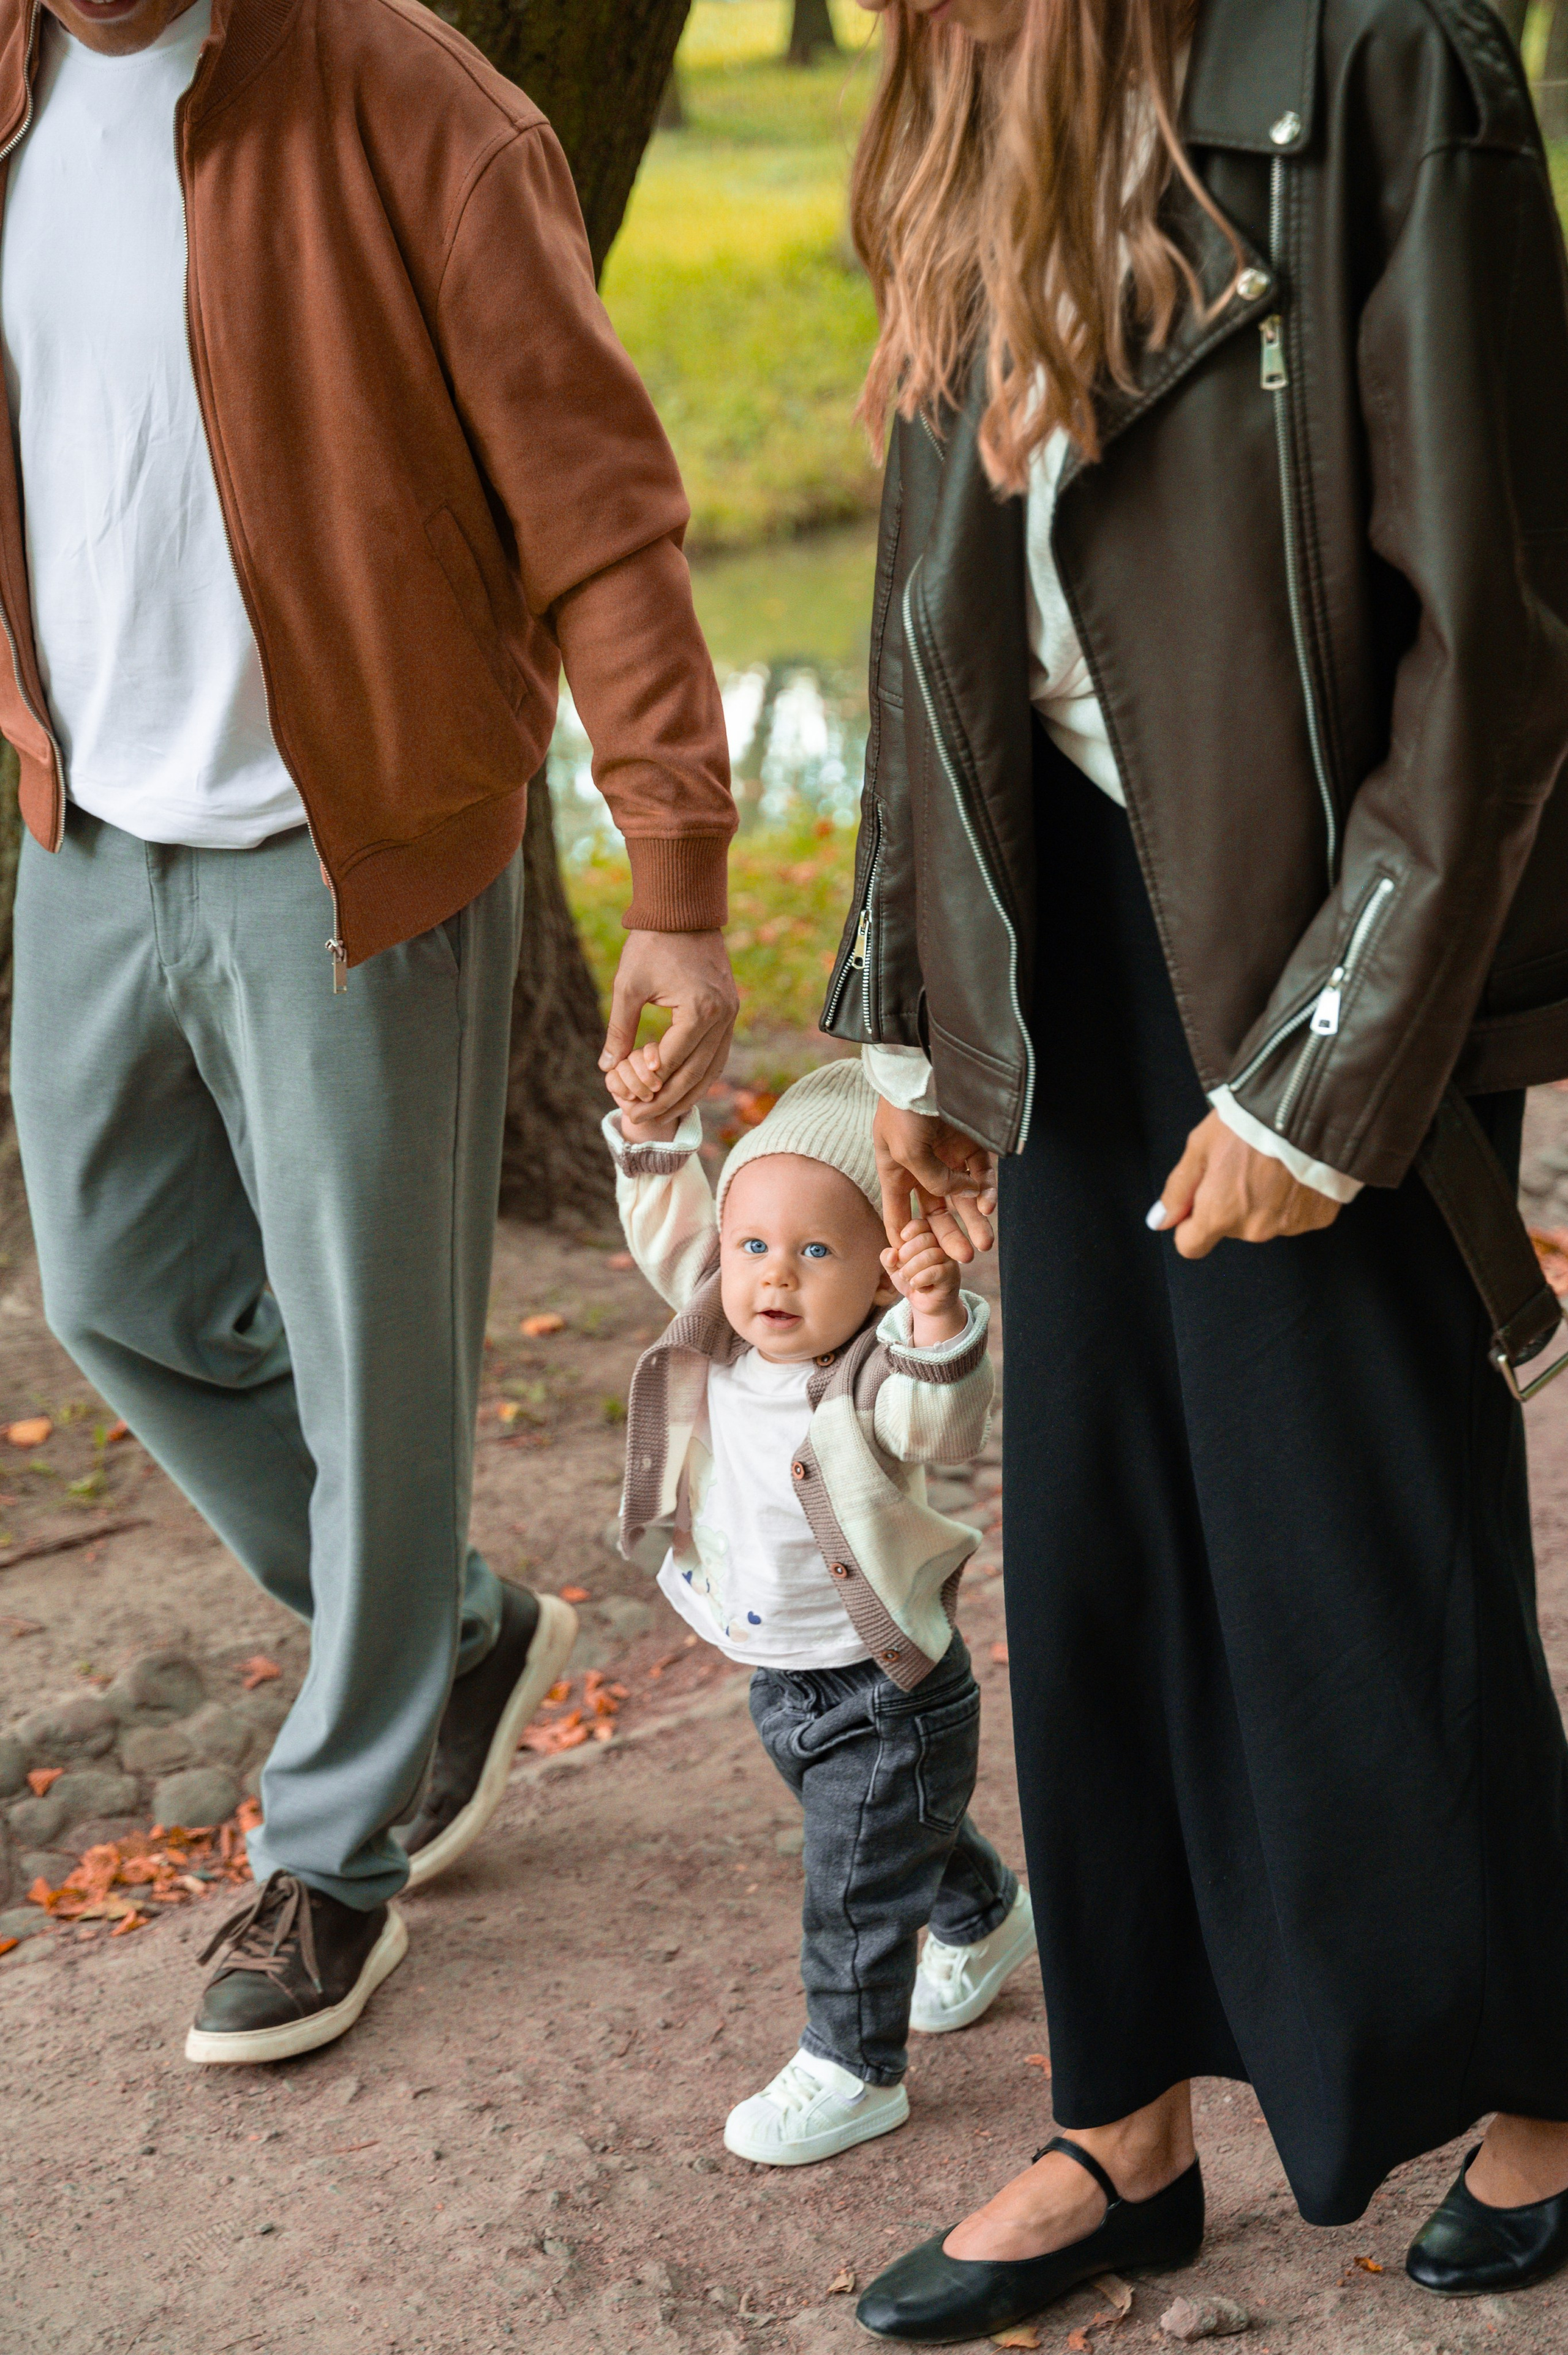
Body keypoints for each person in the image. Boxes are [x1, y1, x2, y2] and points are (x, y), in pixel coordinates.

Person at [817, 0, 1568, 2333]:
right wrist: (916, 1012)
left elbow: (1505, 641)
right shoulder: (966, 80)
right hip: (1069, 929)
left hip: (1319, 933)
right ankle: (1121, 2120)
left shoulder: (1384, 66)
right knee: (1102, 1533)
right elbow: (928, 600)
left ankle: (1549, 2075)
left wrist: (1323, 1066)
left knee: (1363, 1538)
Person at [2, 0, 738, 2064]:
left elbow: (601, 507)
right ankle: (463, 1641)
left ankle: (336, 1853)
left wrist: (678, 873)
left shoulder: (419, 102)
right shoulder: (11, 91)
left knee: (375, 1369)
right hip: (90, 839)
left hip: (357, 846)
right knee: (119, 1294)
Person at [601, 1053, 1034, 2163]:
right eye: (753, 1247)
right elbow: (671, 1225)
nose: (773, 1279)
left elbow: (947, 1427)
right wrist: (655, 1127)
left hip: (887, 1689)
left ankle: (852, 2068)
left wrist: (938, 1320)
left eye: (814, 1252)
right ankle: (984, 1914)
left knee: (850, 1886)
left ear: (882, 1276)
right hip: (783, 1673)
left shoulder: (875, 1376)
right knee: (887, 1840)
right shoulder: (718, 1323)